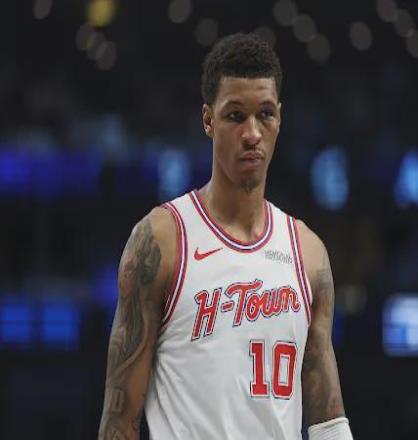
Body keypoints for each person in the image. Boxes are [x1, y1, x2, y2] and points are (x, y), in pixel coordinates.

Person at [98, 32, 353, 440]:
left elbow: (328, 422)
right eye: (235, 115)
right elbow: (119, 420)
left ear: (280, 119)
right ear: (208, 120)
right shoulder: (162, 239)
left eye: (264, 114)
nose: (252, 133)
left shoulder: (308, 253)